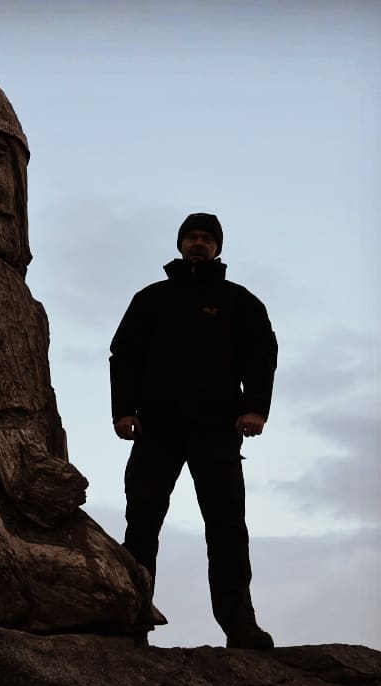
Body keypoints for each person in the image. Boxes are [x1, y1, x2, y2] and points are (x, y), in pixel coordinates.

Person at [109, 213, 277, 649]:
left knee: (227, 528)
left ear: (217, 247)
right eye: (192, 237)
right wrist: (123, 411)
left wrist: (255, 409)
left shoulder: (239, 301)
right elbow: (124, 355)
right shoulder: (151, 299)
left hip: (217, 429)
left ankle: (240, 624)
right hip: (156, 429)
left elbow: (261, 355)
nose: (198, 243)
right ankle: (130, 620)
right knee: (141, 524)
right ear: (181, 244)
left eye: (206, 238)